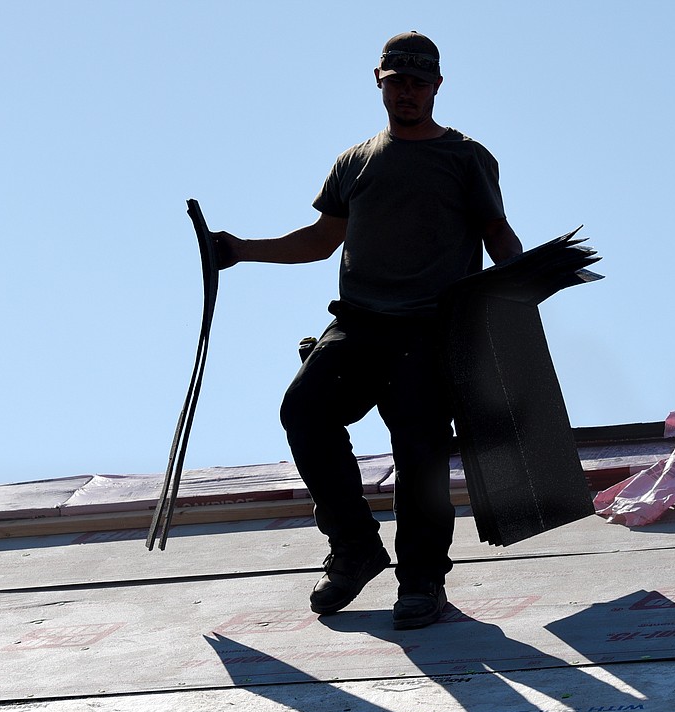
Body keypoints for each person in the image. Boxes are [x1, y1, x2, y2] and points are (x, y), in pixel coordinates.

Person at [213, 31, 523, 629]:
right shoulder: (354, 161)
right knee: (303, 412)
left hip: (430, 333)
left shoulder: (465, 157)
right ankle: (355, 548)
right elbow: (318, 242)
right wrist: (238, 249)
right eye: (395, 81)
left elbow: (497, 233)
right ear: (378, 83)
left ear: (436, 85)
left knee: (420, 456)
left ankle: (422, 582)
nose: (405, 91)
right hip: (357, 326)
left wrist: (520, 288)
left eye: (416, 82)